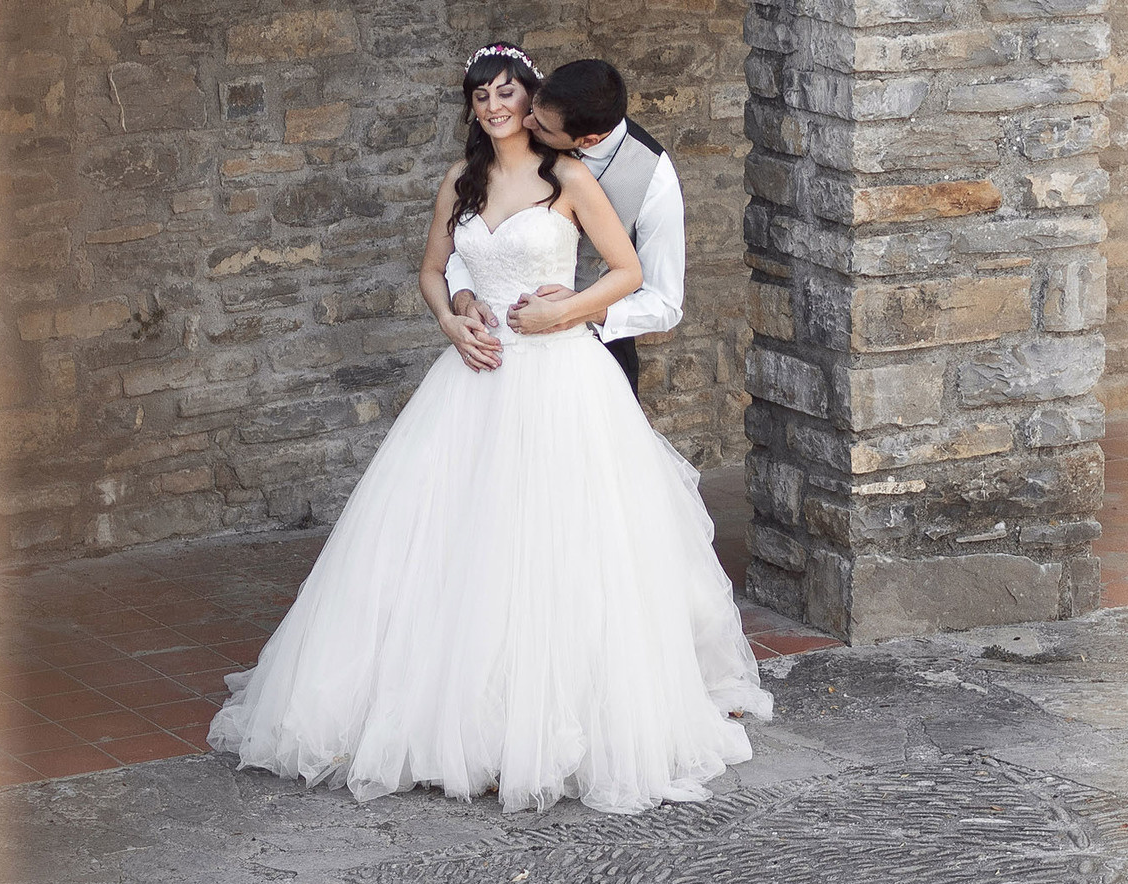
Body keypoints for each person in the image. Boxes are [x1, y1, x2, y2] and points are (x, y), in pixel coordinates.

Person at [207, 44, 772, 813]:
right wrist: (454, 316)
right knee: (459, 542)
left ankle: (555, 723)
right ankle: (460, 719)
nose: (493, 105)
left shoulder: (568, 176)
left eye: (507, 93)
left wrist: (562, 311)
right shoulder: (460, 180)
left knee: (559, 544)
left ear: (533, 100)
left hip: (560, 378)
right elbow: (433, 269)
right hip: (475, 379)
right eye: (480, 95)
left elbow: (628, 274)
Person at [439, 58, 682, 392]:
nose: (525, 122)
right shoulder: (493, 162)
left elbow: (664, 304)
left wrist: (573, 312)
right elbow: (474, 244)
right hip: (494, 357)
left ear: (586, 141)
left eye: (541, 126)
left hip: (596, 353)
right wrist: (462, 297)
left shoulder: (650, 176)